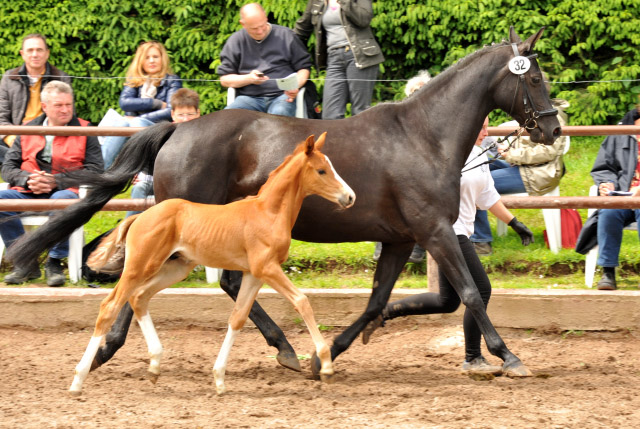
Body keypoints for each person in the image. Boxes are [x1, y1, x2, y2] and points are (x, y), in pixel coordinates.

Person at [363, 117, 534, 374]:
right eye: (480, 125)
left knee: (448, 301)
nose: (484, 132)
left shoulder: (478, 154)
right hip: (447, 232)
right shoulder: (444, 155)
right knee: (481, 289)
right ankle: (473, 357)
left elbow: (488, 196)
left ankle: (385, 312)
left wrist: (514, 222)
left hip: (460, 230)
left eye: (487, 126)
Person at [0, 81, 103, 286]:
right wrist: (28, 180)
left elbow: (96, 170)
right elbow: (7, 168)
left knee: (61, 200)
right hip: (28, 189)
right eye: (59, 105)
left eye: (68, 104)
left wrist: (56, 181)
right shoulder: (28, 129)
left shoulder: (85, 129)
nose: (65, 110)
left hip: (65, 191)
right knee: (1, 200)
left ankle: (54, 262)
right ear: (45, 106)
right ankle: (25, 261)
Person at [471, 99, 570, 255]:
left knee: (475, 182)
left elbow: (547, 152)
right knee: (470, 171)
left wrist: (512, 155)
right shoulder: (533, 111)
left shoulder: (553, 117)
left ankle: (481, 241)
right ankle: (473, 235)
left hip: (539, 174)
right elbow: (529, 143)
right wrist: (507, 148)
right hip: (525, 167)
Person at [373, 70, 431, 263]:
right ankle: (382, 245)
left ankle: (417, 249)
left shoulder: (435, 120)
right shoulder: (397, 117)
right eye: (414, 91)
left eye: (422, 91)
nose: (418, 96)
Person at [217, 3, 312, 117]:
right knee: (228, 116)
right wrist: (249, 79)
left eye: (262, 25)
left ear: (266, 17)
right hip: (248, 99)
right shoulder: (235, 41)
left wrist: (295, 85)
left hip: (282, 95)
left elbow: (304, 68)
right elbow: (225, 79)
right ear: (243, 24)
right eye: (254, 28)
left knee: (280, 113)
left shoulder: (286, 35)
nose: (260, 31)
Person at [294, 0, 384, 119]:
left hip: (359, 55)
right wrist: (282, 43)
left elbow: (364, 19)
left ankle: (362, 138)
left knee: (360, 112)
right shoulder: (316, 1)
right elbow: (302, 28)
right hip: (334, 57)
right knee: (329, 115)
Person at [99, 41, 182, 169]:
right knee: (121, 124)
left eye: (155, 57)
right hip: (131, 127)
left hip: (158, 127)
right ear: (141, 61)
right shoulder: (134, 80)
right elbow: (125, 103)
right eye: (147, 57)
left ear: (162, 59)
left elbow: (171, 110)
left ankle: (134, 169)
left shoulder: (172, 80)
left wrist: (140, 118)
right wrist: (156, 103)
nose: (152, 61)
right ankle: (100, 171)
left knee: (136, 124)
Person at [125, 88, 201, 218]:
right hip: (161, 181)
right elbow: (147, 162)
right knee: (139, 188)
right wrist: (140, 174)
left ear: (198, 113)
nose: (185, 119)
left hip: (190, 184)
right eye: (181, 115)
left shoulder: (204, 134)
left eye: (190, 114)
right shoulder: (164, 134)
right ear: (172, 114)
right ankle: (130, 226)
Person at [589, 98, 640, 290]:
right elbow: (604, 166)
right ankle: (608, 272)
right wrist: (605, 182)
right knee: (609, 211)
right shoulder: (622, 129)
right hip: (624, 195)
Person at [0, 34, 71, 164]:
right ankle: (28, 162)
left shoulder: (61, 78)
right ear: (22, 54)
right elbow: (1, 116)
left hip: (46, 135)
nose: (35, 54)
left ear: (47, 53)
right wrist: (12, 139)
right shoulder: (9, 77)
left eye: (39, 50)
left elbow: (66, 116)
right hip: (16, 135)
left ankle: (21, 164)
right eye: (30, 50)